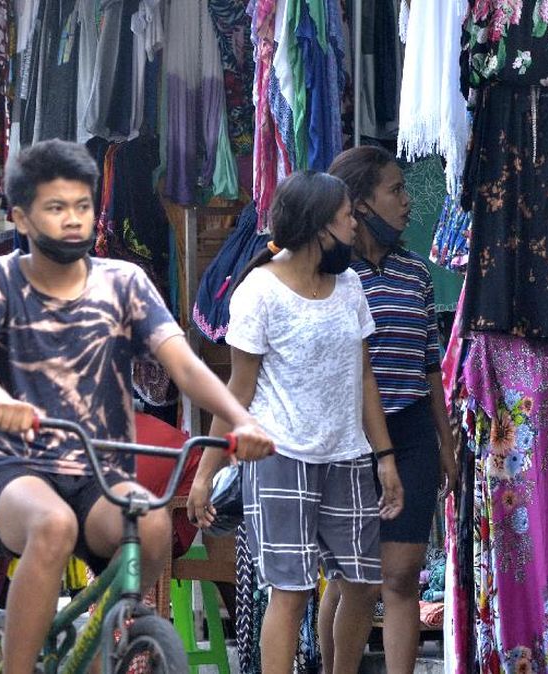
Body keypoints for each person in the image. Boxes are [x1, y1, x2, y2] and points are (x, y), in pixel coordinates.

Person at [0, 139, 275, 674]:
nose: (73, 221)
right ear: (21, 218)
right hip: (2, 461)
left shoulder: (123, 282)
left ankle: (106, 644)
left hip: (92, 461)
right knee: (52, 526)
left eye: (83, 206)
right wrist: (0, 400)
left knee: (148, 526)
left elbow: (186, 367)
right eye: (56, 208)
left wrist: (241, 422)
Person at [187, 170, 404, 674]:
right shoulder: (258, 292)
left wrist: (385, 457)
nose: (356, 224)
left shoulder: (349, 286)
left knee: (363, 582)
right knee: (291, 591)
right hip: (279, 459)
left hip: (348, 456)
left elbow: (364, 376)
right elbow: (235, 394)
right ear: (318, 227)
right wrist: (204, 472)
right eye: (347, 216)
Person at [322, 146, 459, 674]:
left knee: (400, 576)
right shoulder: (330, 277)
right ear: (357, 204)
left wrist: (446, 447)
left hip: (413, 435)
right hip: (349, 440)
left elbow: (431, 371)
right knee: (352, 580)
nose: (408, 202)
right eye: (396, 190)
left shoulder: (416, 275)